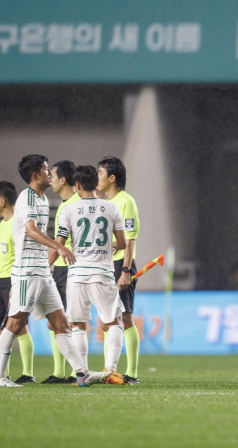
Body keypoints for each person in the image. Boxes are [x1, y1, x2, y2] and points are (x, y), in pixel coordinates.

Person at [0, 154, 110, 387]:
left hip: (42, 272)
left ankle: (82, 373)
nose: (49, 173)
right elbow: (31, 231)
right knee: (15, 323)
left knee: (61, 323)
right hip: (27, 271)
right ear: (35, 175)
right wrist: (59, 246)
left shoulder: (43, 199)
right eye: (46, 170)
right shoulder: (27, 198)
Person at [56, 165, 128, 384]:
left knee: (77, 325)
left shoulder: (68, 210)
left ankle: (83, 374)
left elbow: (59, 245)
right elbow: (123, 243)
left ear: (77, 185)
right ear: (96, 184)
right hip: (102, 274)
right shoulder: (111, 208)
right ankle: (111, 371)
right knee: (114, 322)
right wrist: (109, 246)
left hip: (77, 275)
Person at [97, 156, 141, 384]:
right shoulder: (103, 203)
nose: (97, 178)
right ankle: (109, 370)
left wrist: (125, 270)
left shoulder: (126, 202)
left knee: (125, 318)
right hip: (105, 265)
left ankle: (132, 374)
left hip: (121, 264)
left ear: (112, 178)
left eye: (100, 173)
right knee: (108, 320)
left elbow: (130, 240)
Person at [0, 181, 35, 384]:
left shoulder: (18, 222)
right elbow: (3, 258)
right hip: (2, 281)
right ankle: (2, 373)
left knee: (19, 327)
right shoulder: (2, 225)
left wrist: (14, 284)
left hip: (14, 280)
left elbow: (20, 256)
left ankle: (28, 373)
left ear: (2, 200)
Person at [41, 160, 81, 384]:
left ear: (63, 179)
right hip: (63, 271)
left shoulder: (71, 206)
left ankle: (74, 372)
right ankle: (60, 372)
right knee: (54, 321)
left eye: (53, 176)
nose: (50, 180)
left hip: (69, 271)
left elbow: (59, 245)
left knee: (68, 321)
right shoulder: (70, 203)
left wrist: (43, 265)